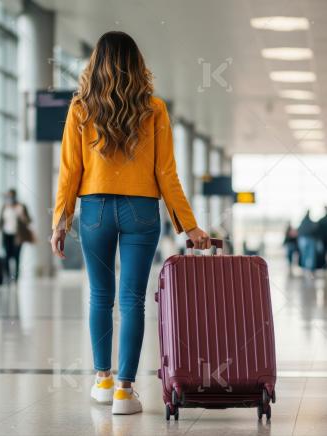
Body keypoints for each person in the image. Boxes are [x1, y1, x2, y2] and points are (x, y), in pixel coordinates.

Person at [49, 31, 209, 416]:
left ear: (95, 65)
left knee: (100, 297)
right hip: (141, 210)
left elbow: (70, 171)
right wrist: (190, 227)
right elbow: (166, 173)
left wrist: (60, 219)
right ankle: (125, 391)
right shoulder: (153, 108)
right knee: (132, 300)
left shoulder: (81, 108)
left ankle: (102, 380)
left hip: (95, 210)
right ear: (137, 65)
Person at [0, 189, 33, 282]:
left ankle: (16, 278)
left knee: (16, 256)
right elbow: (0, 221)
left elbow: (29, 221)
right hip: (6, 235)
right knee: (6, 255)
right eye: (8, 196)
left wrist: (22, 215)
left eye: (11, 196)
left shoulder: (21, 207)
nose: (9, 199)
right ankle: (7, 276)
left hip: (17, 236)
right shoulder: (4, 207)